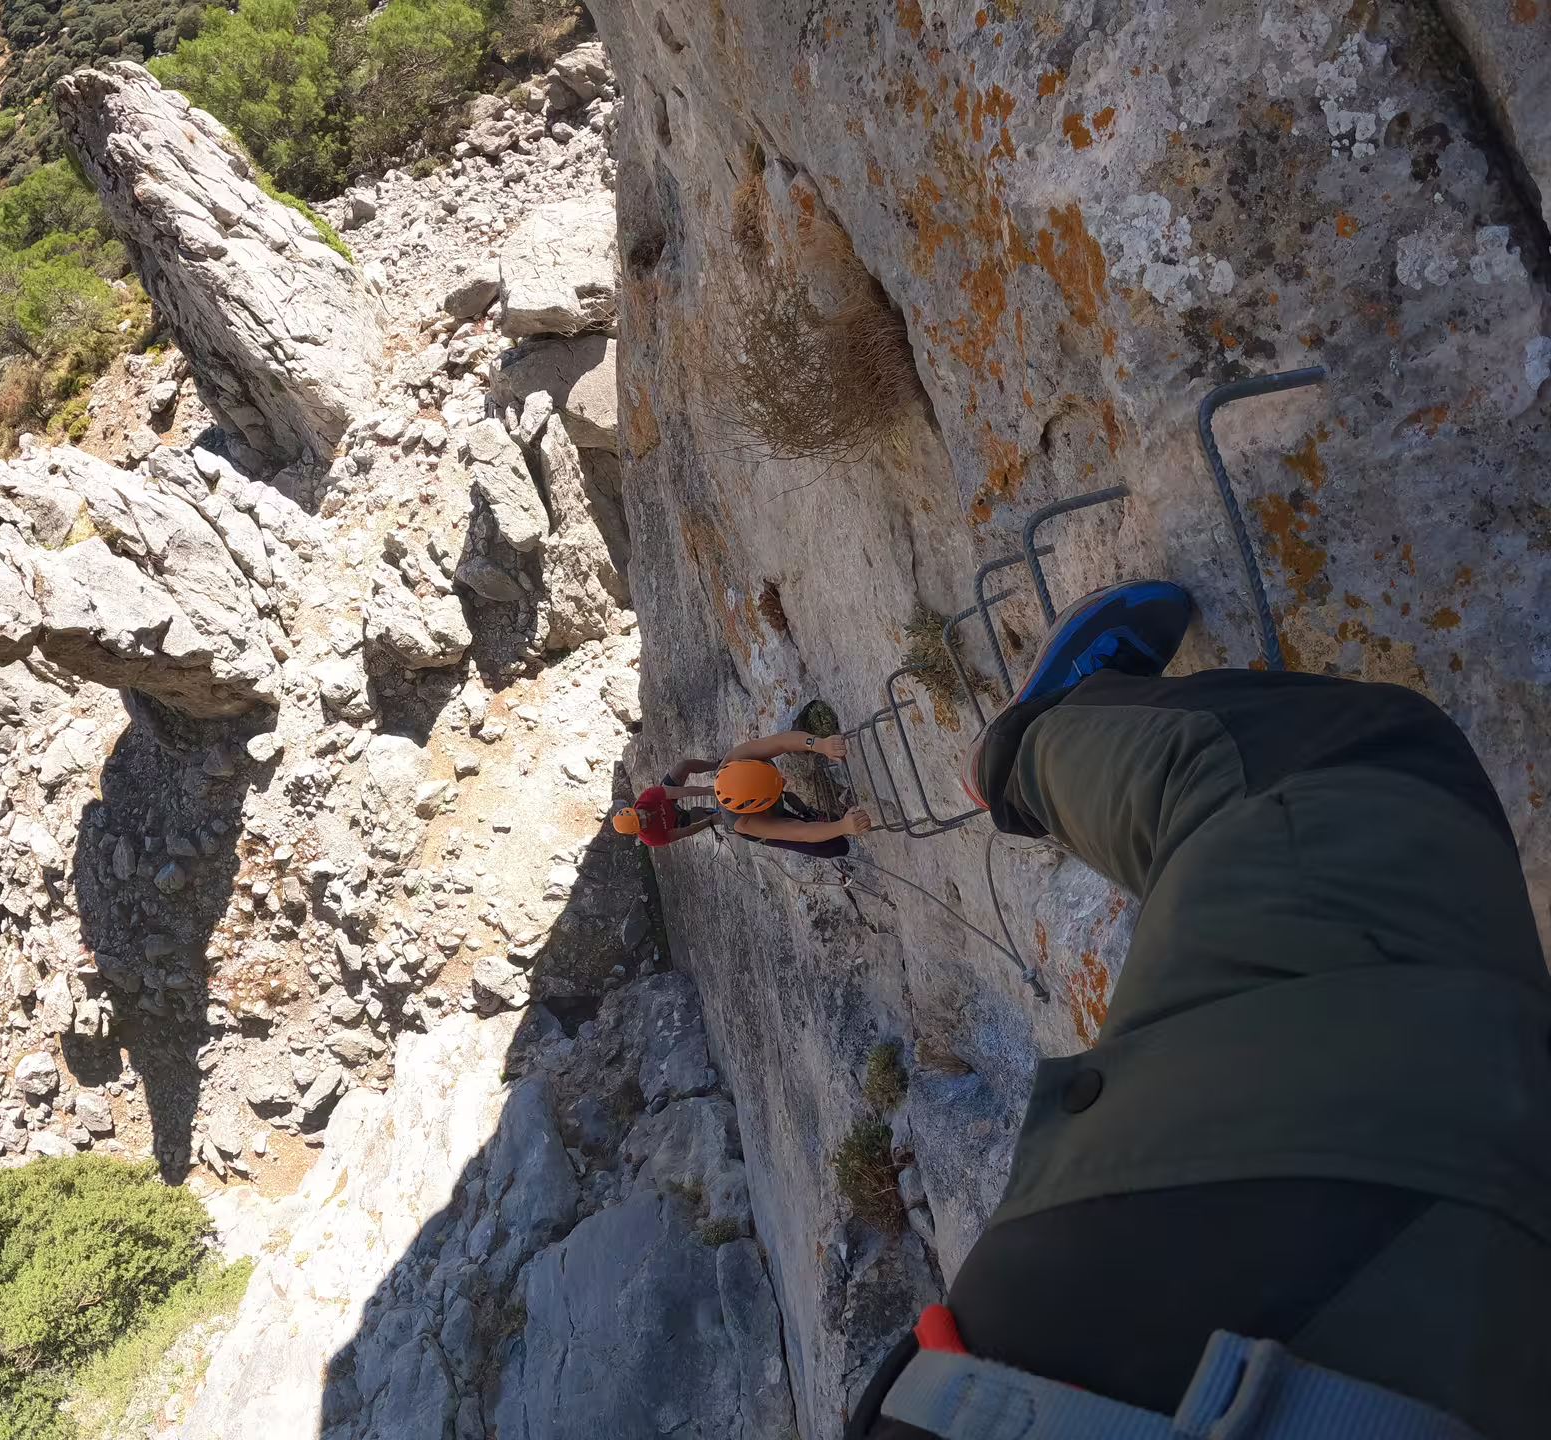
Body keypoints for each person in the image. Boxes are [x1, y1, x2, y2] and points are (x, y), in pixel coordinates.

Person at [847, 580, 1551, 1440]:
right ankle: (1027, 753)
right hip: (1105, 1364)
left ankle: (1019, 751)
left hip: (1114, 1356)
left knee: (1361, 775)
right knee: (1353, 772)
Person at [612, 730, 873, 857]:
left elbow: (780, 742)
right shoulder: (747, 823)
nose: (645, 819)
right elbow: (801, 833)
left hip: (744, 796)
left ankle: (811, 813)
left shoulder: (737, 757)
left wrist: (819, 744)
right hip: (756, 818)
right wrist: (843, 827)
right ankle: (813, 815)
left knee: (685, 774)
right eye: (777, 784)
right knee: (832, 846)